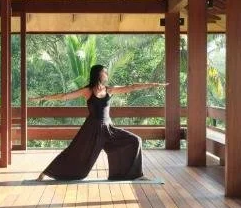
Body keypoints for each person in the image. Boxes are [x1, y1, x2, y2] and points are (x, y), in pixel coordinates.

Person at [35, 64, 165, 181]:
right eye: (105, 72)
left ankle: (135, 175)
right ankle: (46, 173)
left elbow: (131, 88)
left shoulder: (109, 90)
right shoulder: (88, 91)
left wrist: (153, 85)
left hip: (108, 129)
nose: (107, 75)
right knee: (73, 151)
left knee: (135, 140)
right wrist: (43, 98)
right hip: (91, 129)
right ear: (98, 74)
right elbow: (64, 96)